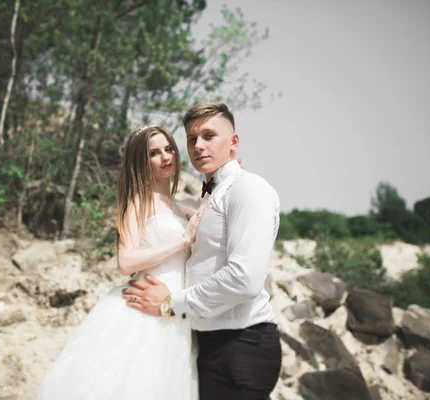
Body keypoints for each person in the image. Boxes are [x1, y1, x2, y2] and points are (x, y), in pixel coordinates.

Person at [122, 102, 282, 399]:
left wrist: (172, 304)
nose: (198, 145)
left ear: (233, 142)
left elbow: (244, 279)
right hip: (205, 342)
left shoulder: (248, 190)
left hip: (240, 345)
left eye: (209, 136)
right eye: (192, 138)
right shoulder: (212, 195)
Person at [35, 125, 208, 400]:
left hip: (174, 312)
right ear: (142, 161)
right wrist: (182, 241)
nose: (166, 157)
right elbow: (126, 262)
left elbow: (209, 214)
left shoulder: (176, 206)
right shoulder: (138, 202)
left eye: (169, 148)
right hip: (144, 310)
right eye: (154, 153)